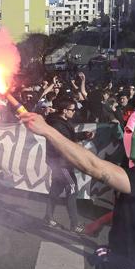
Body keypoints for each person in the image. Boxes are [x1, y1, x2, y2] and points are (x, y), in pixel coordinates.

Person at [22, 108, 135, 269]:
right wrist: (102, 220)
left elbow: (94, 167)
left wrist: (47, 130)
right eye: (128, 131)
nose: (133, 138)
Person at [43, 98, 92, 234]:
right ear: (64, 111)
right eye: (72, 110)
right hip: (61, 163)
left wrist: (83, 135)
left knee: (56, 189)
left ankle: (48, 217)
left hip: (59, 162)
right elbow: (66, 142)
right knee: (72, 188)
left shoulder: (60, 122)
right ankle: (74, 224)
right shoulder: (57, 124)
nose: (74, 112)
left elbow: (69, 137)